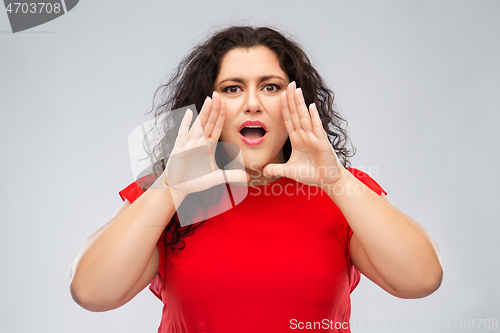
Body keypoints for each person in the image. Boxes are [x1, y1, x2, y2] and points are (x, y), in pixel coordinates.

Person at [69, 26, 443, 332]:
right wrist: (170, 187)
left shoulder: (340, 190)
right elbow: (92, 292)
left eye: (271, 87)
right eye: (233, 88)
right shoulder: (167, 192)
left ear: (297, 102)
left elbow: (421, 280)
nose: (252, 103)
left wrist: (334, 179)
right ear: (206, 106)